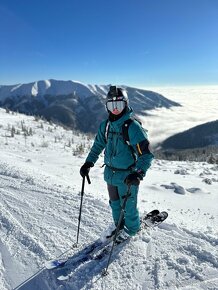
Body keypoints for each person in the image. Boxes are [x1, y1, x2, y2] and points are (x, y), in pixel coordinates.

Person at [80, 85, 154, 242]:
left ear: (125, 104)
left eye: (118, 105)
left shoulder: (132, 127)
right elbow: (98, 146)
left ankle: (132, 230)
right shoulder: (105, 126)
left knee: (129, 206)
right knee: (114, 204)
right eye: (111, 105)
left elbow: (146, 155)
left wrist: (138, 173)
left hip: (128, 176)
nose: (115, 109)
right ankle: (118, 225)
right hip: (110, 174)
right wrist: (88, 163)